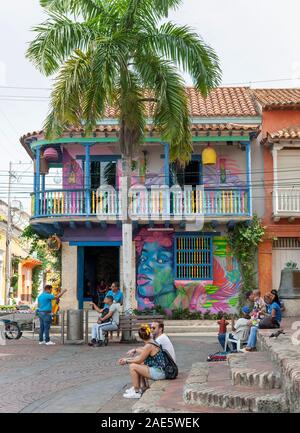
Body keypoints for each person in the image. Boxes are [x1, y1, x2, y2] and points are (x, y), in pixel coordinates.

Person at [118, 324, 167, 399]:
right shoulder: (152, 342)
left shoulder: (149, 346)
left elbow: (140, 359)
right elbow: (142, 353)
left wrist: (126, 361)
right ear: (149, 333)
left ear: (140, 337)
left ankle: (136, 391)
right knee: (139, 363)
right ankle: (142, 386)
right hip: (161, 370)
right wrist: (128, 357)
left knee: (133, 366)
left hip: (159, 372)